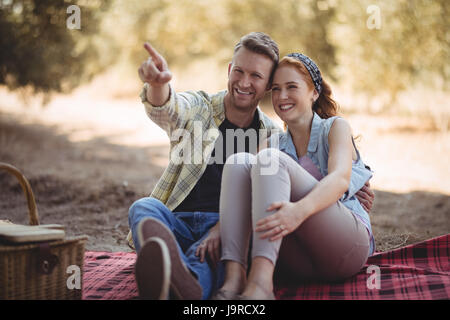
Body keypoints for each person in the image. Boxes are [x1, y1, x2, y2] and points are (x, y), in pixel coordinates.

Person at [128, 32, 375, 300]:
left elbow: (336, 178)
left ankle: (203, 280)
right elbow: (170, 108)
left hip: (252, 229)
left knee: (233, 225)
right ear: (230, 70)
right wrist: (157, 86)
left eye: (257, 76)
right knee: (145, 206)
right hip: (185, 220)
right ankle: (182, 268)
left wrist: (346, 188)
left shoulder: (302, 131)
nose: (245, 82)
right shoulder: (209, 111)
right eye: (277, 88)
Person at [214, 53, 376, 300]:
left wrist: (297, 211)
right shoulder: (272, 143)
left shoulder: (335, 128)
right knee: (239, 162)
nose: (281, 97)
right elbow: (246, 198)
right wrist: (217, 231)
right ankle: (235, 277)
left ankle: (261, 285)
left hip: (344, 247)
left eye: (292, 87)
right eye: (276, 89)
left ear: (314, 92)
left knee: (270, 160)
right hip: (298, 259)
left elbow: (340, 179)